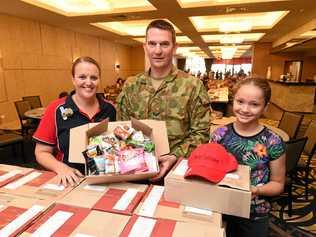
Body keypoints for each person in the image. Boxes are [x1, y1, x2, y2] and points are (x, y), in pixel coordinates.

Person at [117, 19, 210, 182]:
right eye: (152, 44)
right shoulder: (131, 85)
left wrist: (174, 156)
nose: (157, 50)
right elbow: (121, 129)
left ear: (174, 47)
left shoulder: (192, 86)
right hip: (136, 170)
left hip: (178, 172)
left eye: (164, 44)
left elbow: (201, 134)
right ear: (145, 47)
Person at [210, 77, 286, 237]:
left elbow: (278, 184)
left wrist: (256, 190)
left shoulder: (272, 141)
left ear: (265, 107)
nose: (245, 109)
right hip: (220, 206)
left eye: (254, 104)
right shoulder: (219, 134)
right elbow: (210, 169)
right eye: (240, 101)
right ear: (233, 101)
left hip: (254, 212)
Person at [33, 56, 116, 187]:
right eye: (82, 77)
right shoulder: (56, 109)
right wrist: (62, 168)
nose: (88, 82)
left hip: (105, 178)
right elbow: (41, 152)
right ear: (73, 79)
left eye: (94, 78)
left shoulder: (109, 109)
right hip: (70, 179)